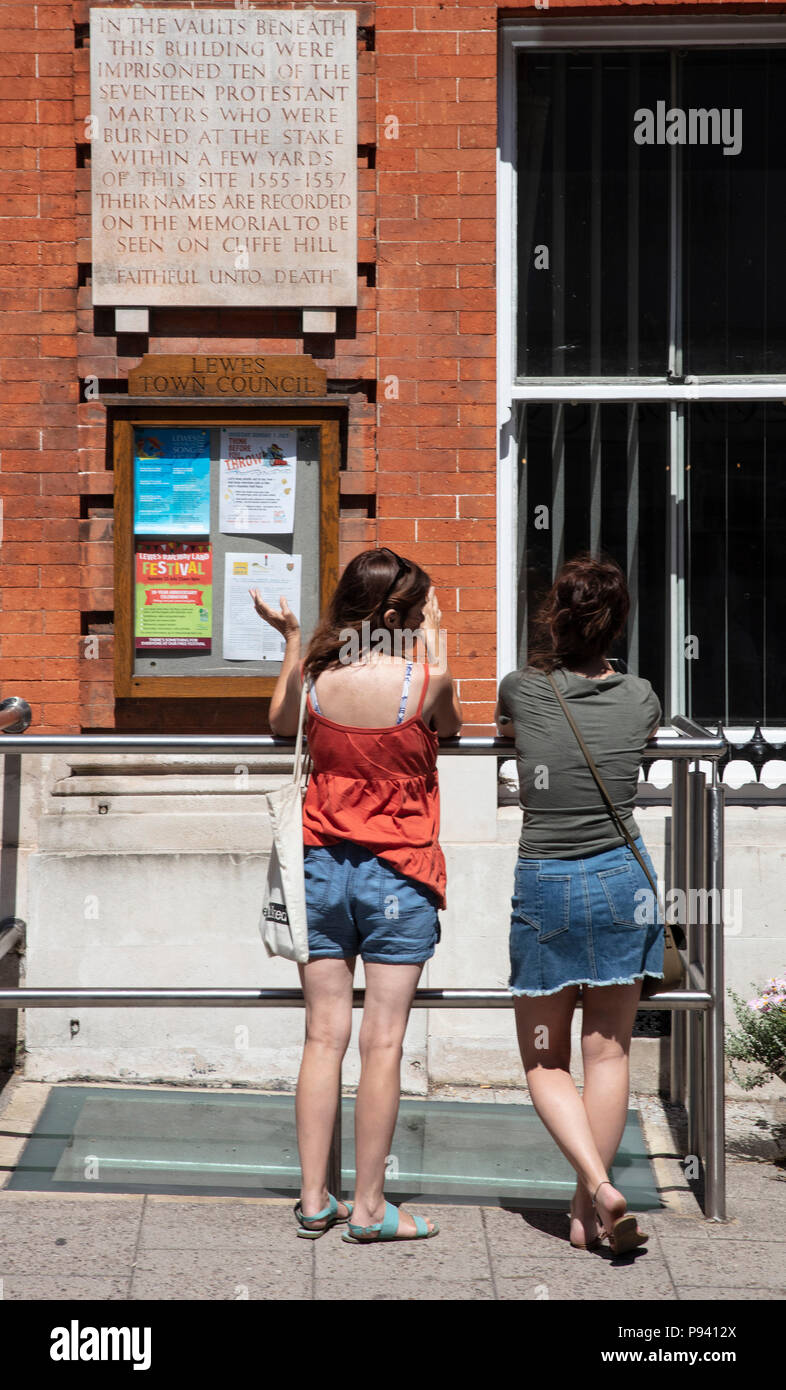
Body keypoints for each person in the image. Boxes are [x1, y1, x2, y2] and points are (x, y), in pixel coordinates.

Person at [251, 547, 462, 1244]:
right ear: (400, 615)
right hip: (398, 874)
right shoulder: (425, 680)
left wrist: (289, 640)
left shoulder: (318, 677)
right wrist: (433, 637)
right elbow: (452, 728)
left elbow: (282, 726)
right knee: (383, 1040)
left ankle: (315, 1199)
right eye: (423, 604)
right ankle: (370, 1208)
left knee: (322, 1035)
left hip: (319, 867)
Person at [495, 554, 663, 1255]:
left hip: (550, 886)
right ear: (618, 622)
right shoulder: (643, 696)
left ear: (553, 618)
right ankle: (586, 1214)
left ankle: (596, 1187)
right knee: (609, 1053)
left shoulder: (522, 689)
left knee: (543, 1060)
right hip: (625, 881)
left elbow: (515, 734)